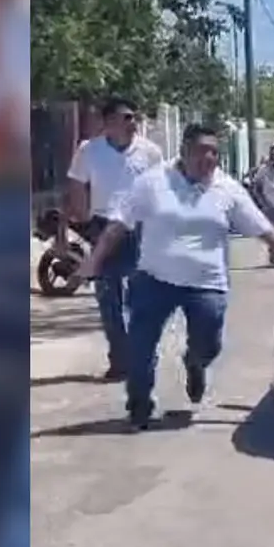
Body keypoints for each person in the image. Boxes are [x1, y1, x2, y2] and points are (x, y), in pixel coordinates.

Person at [74, 123, 274, 429]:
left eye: (215, 152)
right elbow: (118, 225)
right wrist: (94, 261)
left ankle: (195, 362)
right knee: (140, 349)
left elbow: (258, 226)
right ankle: (139, 405)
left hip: (206, 283)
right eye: (203, 151)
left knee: (209, 343)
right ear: (184, 152)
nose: (210, 158)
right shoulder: (152, 182)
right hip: (153, 280)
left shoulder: (226, 188)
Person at [65, 98, 164, 380]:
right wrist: (81, 215)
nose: (134, 123)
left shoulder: (150, 152)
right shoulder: (89, 151)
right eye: (127, 117)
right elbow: (76, 183)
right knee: (109, 299)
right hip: (103, 225)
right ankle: (120, 359)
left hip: (139, 229)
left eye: (135, 118)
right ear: (108, 123)